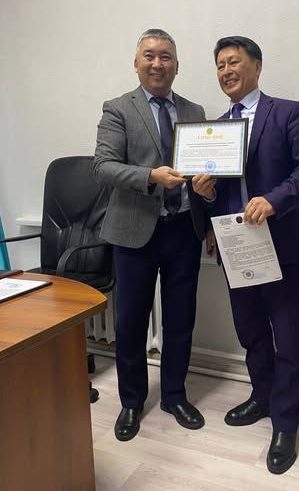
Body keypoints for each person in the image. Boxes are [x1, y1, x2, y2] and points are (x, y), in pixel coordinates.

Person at [192, 36, 299, 474]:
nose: (225, 71)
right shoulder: (215, 130)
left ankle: (286, 423)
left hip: (282, 244)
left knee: (289, 336)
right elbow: (217, 193)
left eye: (233, 62)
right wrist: (205, 195)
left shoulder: (288, 112)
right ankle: (263, 397)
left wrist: (274, 200)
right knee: (250, 331)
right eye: (219, 65)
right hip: (236, 247)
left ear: (257, 66)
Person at [94, 29, 213, 441]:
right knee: (130, 322)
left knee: (181, 319)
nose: (158, 63)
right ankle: (131, 401)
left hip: (184, 230)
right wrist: (150, 176)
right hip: (133, 233)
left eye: (166, 56)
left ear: (177, 66)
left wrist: (208, 206)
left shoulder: (195, 110)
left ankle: (174, 395)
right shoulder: (118, 109)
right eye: (150, 55)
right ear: (136, 63)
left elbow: (205, 169)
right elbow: (103, 166)